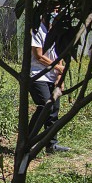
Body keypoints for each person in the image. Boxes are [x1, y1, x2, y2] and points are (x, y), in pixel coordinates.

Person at [29, 10, 70, 153]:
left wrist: (60, 76)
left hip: (53, 76)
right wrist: (58, 67)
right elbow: (38, 55)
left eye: (58, 10)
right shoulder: (36, 29)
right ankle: (28, 141)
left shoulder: (57, 30)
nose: (55, 13)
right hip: (37, 75)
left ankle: (51, 145)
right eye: (53, 10)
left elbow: (60, 53)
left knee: (54, 111)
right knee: (44, 107)